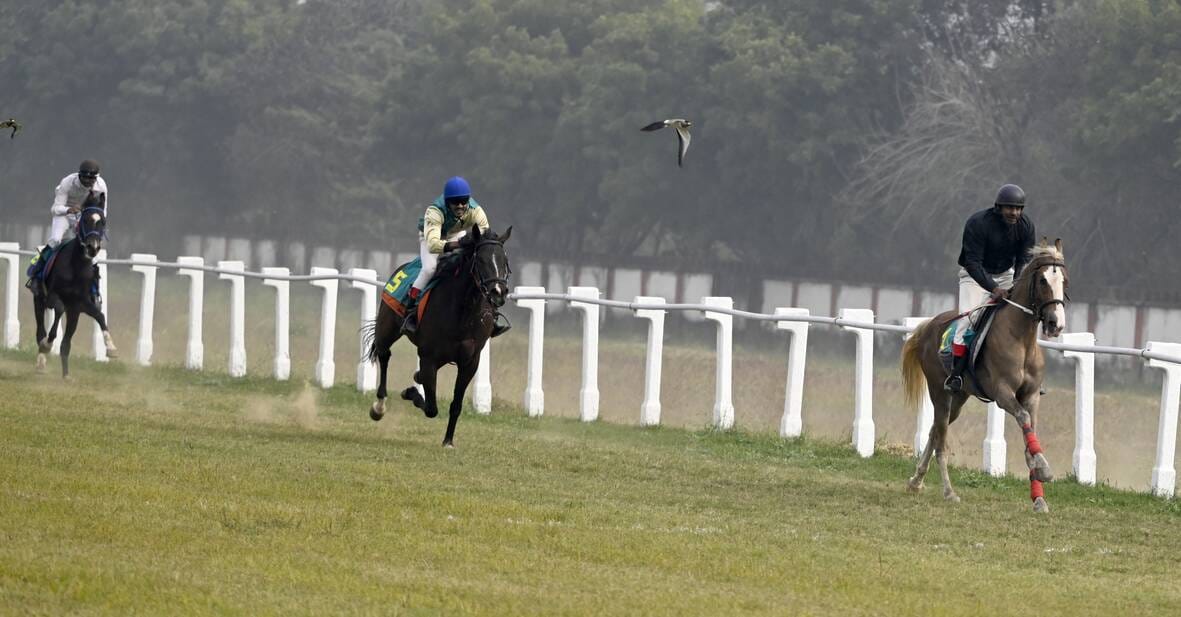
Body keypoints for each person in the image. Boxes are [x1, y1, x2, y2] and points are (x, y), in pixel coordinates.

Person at [945, 183, 1036, 392]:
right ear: (998, 207)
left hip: (1005, 274)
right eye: (1010, 208)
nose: (1014, 213)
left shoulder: (1026, 226)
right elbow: (972, 263)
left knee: (1024, 314)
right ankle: (956, 373)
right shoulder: (977, 223)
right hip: (974, 276)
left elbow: (1024, 259)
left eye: (1018, 208)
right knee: (968, 318)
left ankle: (1030, 371)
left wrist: (1016, 283)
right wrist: (994, 288)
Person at [401, 176, 509, 337]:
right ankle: (410, 311)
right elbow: (434, 245)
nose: (460, 205)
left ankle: (491, 316)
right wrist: (459, 244)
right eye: (455, 202)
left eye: (463, 201)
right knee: (429, 269)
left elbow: (485, 235)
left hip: (456, 234)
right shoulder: (434, 212)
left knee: (475, 267)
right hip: (431, 237)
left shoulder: (476, 211)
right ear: (447, 202)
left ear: (468, 200)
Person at [27, 159, 108, 305]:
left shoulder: (101, 185)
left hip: (83, 217)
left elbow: (103, 210)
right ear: (79, 175)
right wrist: (69, 209)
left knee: (91, 249)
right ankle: (36, 277)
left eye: (92, 179)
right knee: (56, 240)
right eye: (85, 178)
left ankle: (95, 292)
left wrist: (97, 225)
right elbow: (55, 209)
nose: (89, 182)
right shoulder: (67, 182)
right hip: (63, 215)